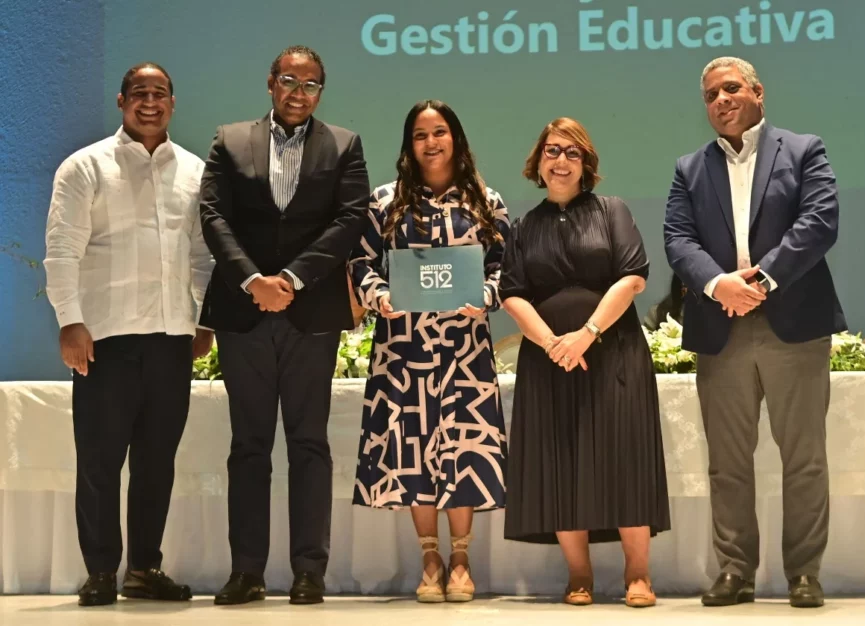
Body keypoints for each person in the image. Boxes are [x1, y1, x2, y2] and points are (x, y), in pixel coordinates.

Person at [663, 56, 846, 609]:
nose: (721, 99)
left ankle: (804, 574)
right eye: (711, 94)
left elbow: (820, 221)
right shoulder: (689, 168)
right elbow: (677, 239)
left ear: (758, 92)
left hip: (794, 323)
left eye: (732, 88)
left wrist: (762, 281)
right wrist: (720, 285)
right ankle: (735, 570)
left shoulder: (803, 149)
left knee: (805, 457)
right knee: (727, 460)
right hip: (722, 328)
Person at [198, 45, 369, 605]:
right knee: (248, 445)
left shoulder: (344, 144)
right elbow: (213, 216)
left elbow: (349, 220)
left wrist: (292, 280)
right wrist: (254, 281)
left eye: (311, 84)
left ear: (322, 91)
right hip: (243, 314)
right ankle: (246, 572)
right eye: (290, 81)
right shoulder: (229, 140)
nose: (299, 92)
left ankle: (308, 572)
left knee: (308, 445)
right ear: (271, 83)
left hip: (310, 313)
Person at [43, 63, 213, 606]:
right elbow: (63, 250)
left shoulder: (194, 171)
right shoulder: (84, 166)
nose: (149, 102)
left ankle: (144, 569)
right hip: (104, 339)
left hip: (171, 338)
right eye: (138, 93)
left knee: (156, 463)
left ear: (172, 102)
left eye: (159, 93)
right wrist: (70, 320)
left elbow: (202, 255)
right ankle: (100, 571)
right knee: (99, 462)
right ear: (121, 101)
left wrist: (204, 319)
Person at [499, 118, 670, 607]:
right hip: (549, 358)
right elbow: (512, 294)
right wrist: (555, 343)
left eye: (573, 153)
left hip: (613, 351)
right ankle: (578, 573)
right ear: (539, 160)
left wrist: (587, 333)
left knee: (625, 459)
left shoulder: (612, 210)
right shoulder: (523, 226)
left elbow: (633, 277)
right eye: (553, 150)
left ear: (586, 163)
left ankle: (638, 572)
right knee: (561, 463)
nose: (561, 160)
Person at [349, 100, 509, 603]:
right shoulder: (384, 201)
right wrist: (380, 296)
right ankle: (430, 558)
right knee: (413, 446)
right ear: (408, 144)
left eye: (440, 132)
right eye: (420, 135)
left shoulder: (487, 200)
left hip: (464, 348)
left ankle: (460, 557)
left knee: (462, 449)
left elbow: (506, 268)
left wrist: (485, 297)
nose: (431, 142)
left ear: (456, 139)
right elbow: (361, 262)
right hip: (403, 349)